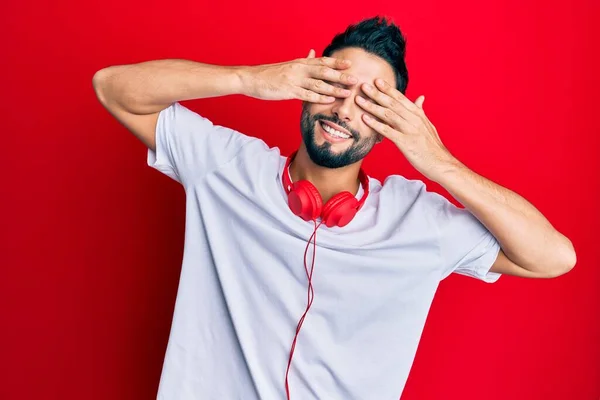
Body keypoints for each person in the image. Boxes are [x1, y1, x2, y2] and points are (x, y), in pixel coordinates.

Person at [93, 15, 576, 400]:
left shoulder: (418, 220)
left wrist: (439, 161)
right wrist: (250, 79)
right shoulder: (226, 167)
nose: (345, 110)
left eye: (370, 102)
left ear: (392, 121)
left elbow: (554, 257)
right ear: (304, 86)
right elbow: (112, 87)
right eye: (335, 87)